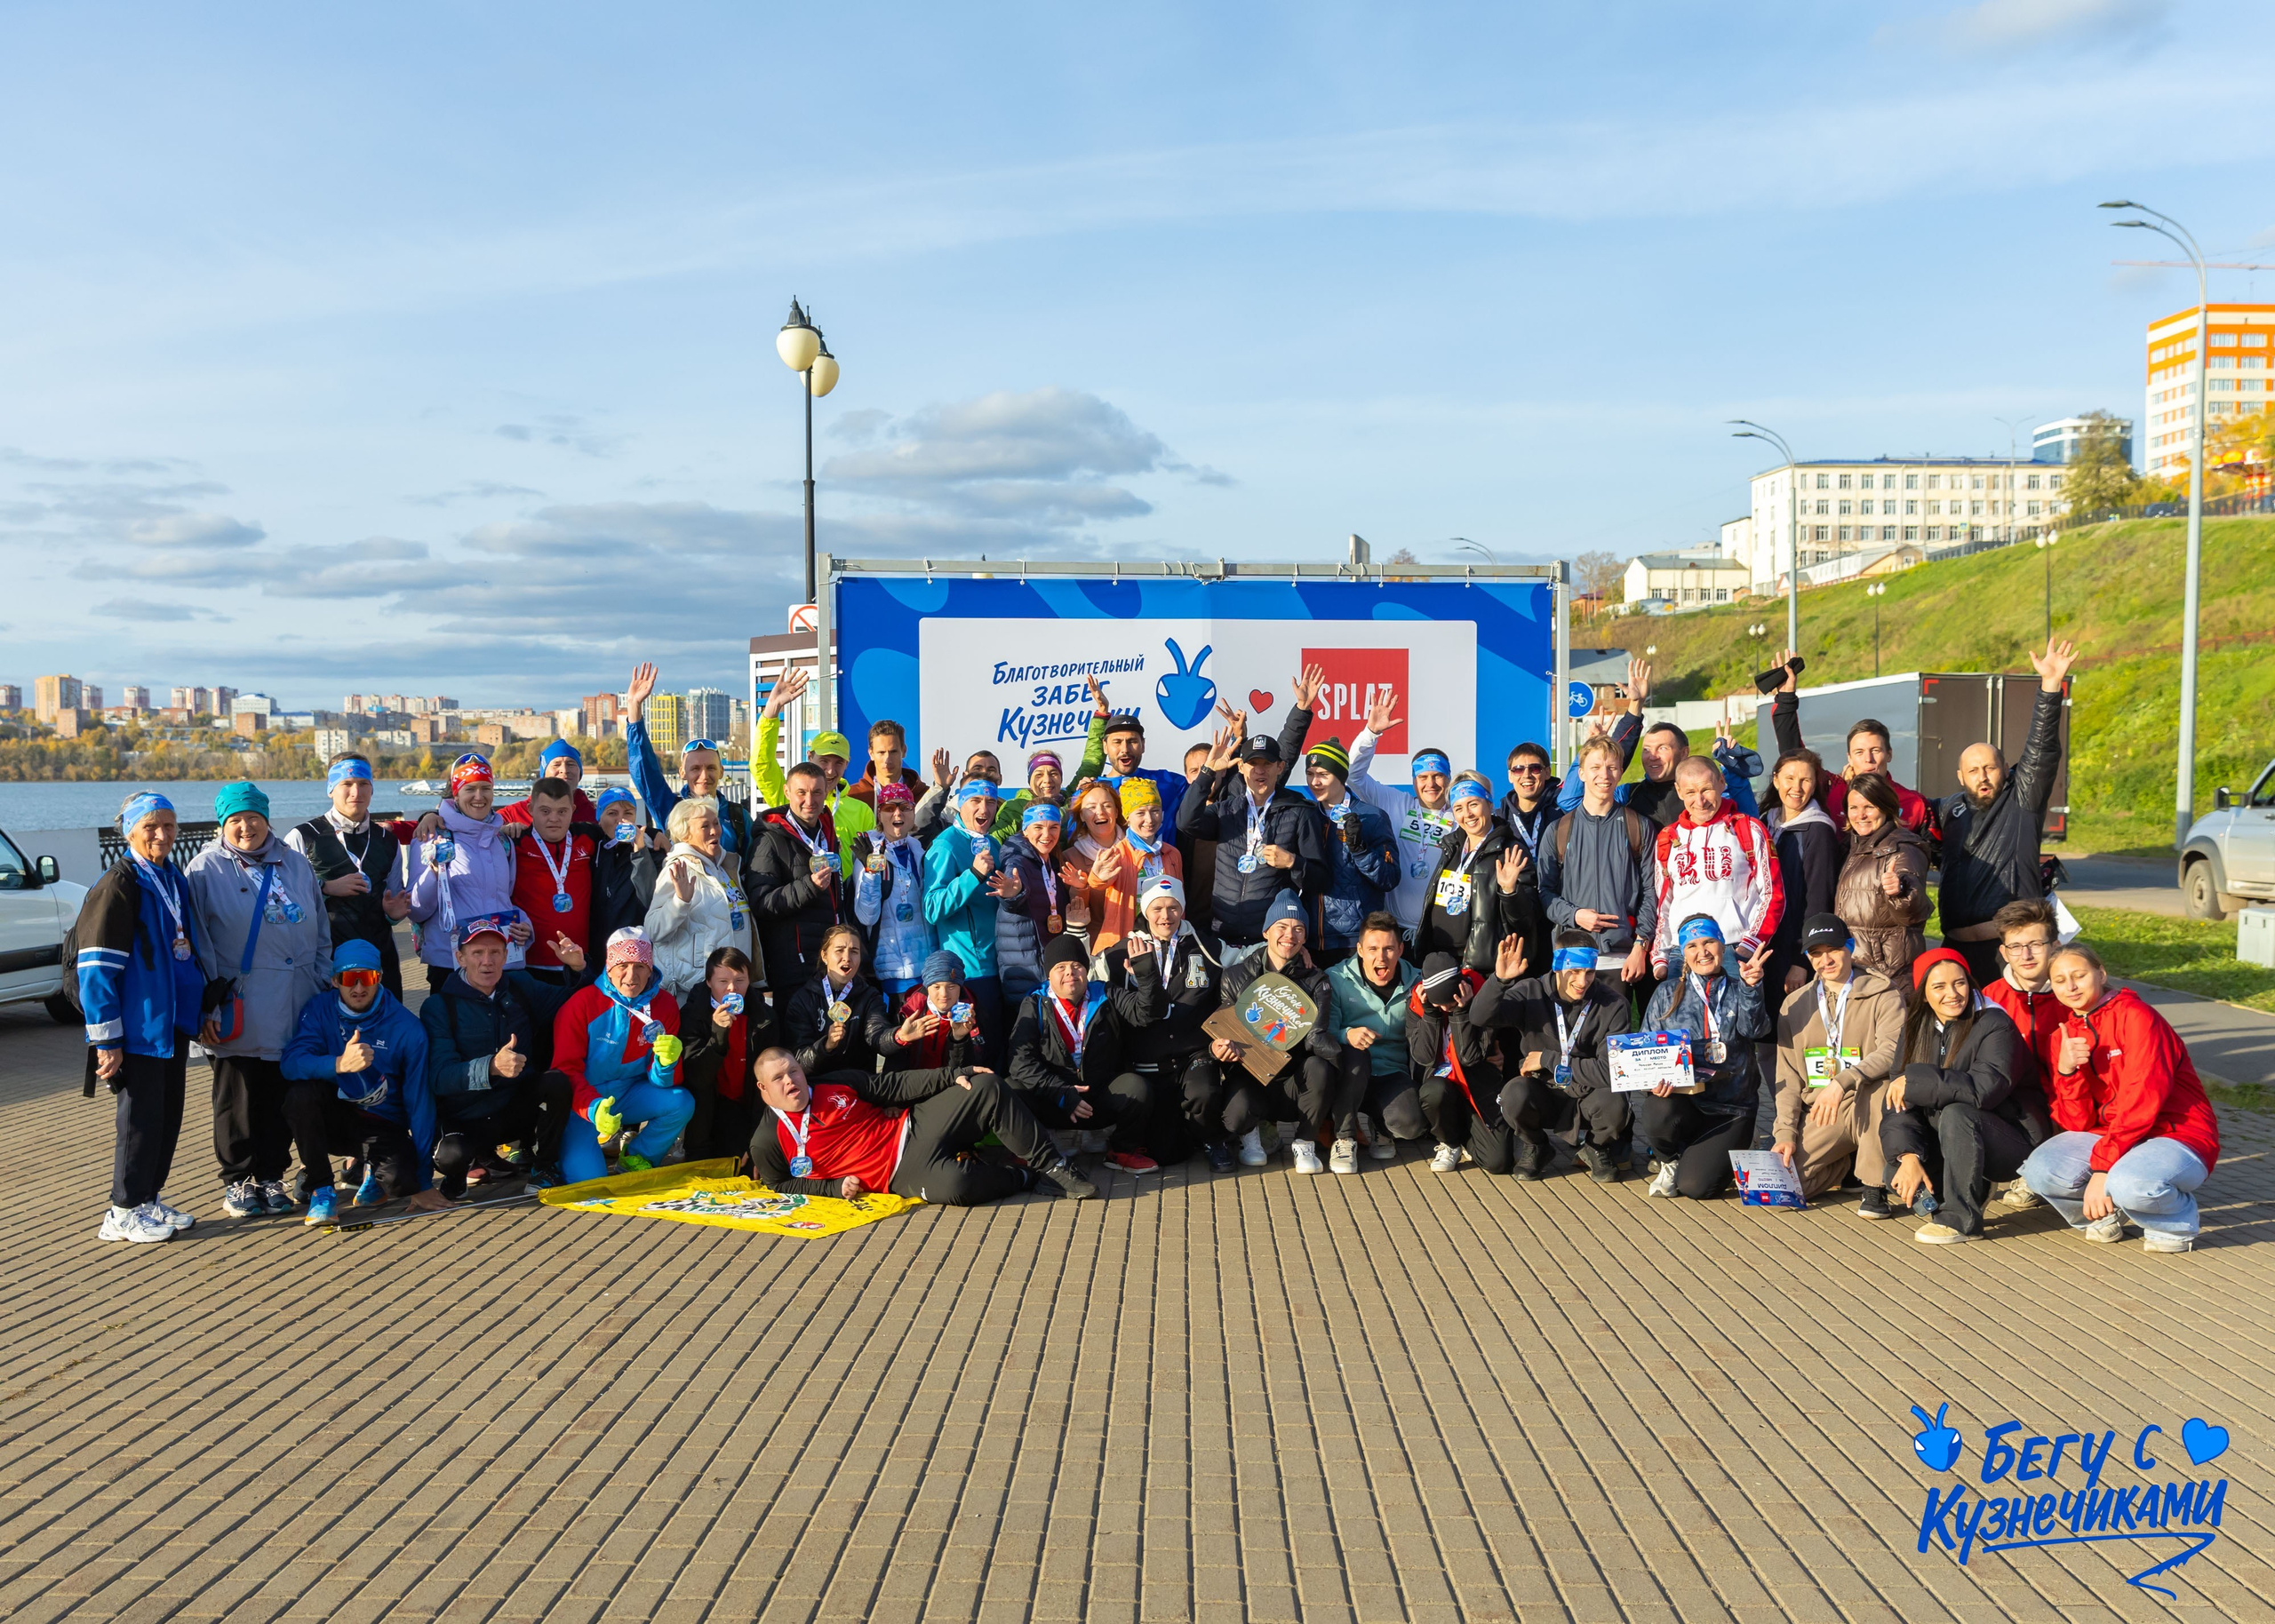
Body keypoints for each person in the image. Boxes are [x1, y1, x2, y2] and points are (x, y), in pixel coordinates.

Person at [185, 781, 332, 1217]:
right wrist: (207, 1003)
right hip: (240, 1006)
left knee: (280, 1095)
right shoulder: (205, 869)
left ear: (267, 819)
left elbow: (321, 928)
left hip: (297, 999)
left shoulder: (295, 863)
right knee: (239, 1097)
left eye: (254, 818)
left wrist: (320, 976)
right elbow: (197, 943)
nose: (246, 827)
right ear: (222, 824)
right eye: (235, 820)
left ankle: (271, 1174)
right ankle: (239, 1180)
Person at [2019, 943, 2219, 1254]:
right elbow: (2077, 1123)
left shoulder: (2138, 1017)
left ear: (2101, 974)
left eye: (2079, 975)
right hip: (2111, 1135)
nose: (2071, 987)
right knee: (2041, 1171)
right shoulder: (2064, 1037)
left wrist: (2103, 1169)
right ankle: (2103, 1215)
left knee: (2131, 1184)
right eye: (2059, 980)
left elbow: (2143, 1099)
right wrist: (2067, 1071)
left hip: (2176, 1133)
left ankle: (2175, 1223)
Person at [80, 793, 209, 1244]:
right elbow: (96, 970)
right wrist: (106, 1040)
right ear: (130, 832)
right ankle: (121, 1211)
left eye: (169, 826)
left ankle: (147, 1199)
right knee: (138, 1122)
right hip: (136, 1029)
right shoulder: (119, 885)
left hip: (170, 1023)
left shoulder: (171, 877)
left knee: (165, 1117)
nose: (162, 834)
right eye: (151, 826)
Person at [747, 1048, 1098, 1205]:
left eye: (794, 1071)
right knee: (959, 1186)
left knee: (986, 1086)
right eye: (778, 1078)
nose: (790, 1081)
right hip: (898, 1175)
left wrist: (953, 1074)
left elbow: (893, 1085)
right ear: (763, 1089)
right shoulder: (766, 1140)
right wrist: (834, 1187)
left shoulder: (832, 1083)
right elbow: (780, 1184)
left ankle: (1054, 1168)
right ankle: (1025, 1177)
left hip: (913, 1127)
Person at [1879, 948, 2046, 1244]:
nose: (1953, 994)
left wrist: (1915, 1080)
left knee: (1958, 1114)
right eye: (1939, 986)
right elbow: (1898, 1103)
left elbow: (1983, 1091)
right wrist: (1909, 1156)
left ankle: (1960, 1221)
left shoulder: (1995, 1024)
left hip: (2011, 1139)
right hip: (1951, 1136)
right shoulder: (1915, 1028)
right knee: (1896, 1171)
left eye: (1959, 983)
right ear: (1924, 994)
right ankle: (1967, 1191)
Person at [1936, 639, 2077, 983]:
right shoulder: (1948, 810)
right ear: (1960, 777)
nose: (1983, 776)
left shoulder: (2022, 800)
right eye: (1973, 770)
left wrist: (2050, 687)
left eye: (1990, 768)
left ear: (2005, 769)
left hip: (2007, 952)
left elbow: (2042, 750)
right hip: (1956, 950)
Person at [279, 938, 443, 1223]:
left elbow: (420, 1104)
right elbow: (291, 1064)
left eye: (366, 978)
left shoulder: (407, 1027)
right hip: (336, 1120)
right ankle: (321, 1187)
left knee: (403, 1182)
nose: (358, 988)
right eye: (348, 978)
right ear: (334, 981)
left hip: (381, 1122)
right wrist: (339, 1064)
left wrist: (425, 1180)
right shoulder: (319, 1009)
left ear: (379, 977)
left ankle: (371, 1170)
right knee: (300, 1095)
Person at [419, 914, 584, 1190]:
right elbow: (439, 1077)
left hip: (514, 1109)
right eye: (477, 953)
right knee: (451, 1158)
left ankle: (544, 1167)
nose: (488, 961)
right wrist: (491, 1067)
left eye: (495, 952)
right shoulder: (438, 1006)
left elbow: (577, 1002)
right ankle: (466, 1166)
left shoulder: (521, 986)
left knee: (556, 1082)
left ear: (506, 956)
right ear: (460, 958)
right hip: (467, 1115)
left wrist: (578, 969)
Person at [1472, 929, 1635, 1182]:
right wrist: (1499, 981)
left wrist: (1548, 1059)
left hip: (1588, 1093)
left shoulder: (1614, 1004)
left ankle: (1595, 1147)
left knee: (1616, 1100)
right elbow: (1479, 1017)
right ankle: (1536, 1145)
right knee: (1514, 1094)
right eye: (1574, 971)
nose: (1583, 981)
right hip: (1544, 1091)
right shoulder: (1531, 991)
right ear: (1558, 967)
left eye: (1589, 972)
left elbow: (1611, 1071)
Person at [1206, 890, 1349, 1172]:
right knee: (1235, 1116)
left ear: (1305, 938)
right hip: (1251, 1075)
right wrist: (1217, 1050)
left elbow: (1315, 1037)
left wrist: (1344, 1068)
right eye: (1281, 926)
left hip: (1294, 1079)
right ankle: (1250, 1134)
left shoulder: (1316, 980)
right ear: (1266, 932)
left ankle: (1305, 1142)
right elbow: (1223, 1029)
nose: (1290, 935)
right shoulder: (1234, 976)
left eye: (1298, 929)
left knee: (1320, 1068)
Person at [1768, 916, 1905, 1204]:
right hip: (1822, 1109)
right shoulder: (1794, 1005)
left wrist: (1842, 1082)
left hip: (1866, 1098)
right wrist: (1784, 1133)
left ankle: (1874, 1186)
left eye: (1833, 949)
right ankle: (1847, 1163)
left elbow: (1892, 1050)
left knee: (1879, 1090)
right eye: (1816, 953)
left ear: (1850, 947)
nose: (1825, 960)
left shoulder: (1884, 992)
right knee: (1783, 1188)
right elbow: (1788, 1078)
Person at [1636, 915, 1771, 1199]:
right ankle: (1671, 1160)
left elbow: (1756, 1030)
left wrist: (1751, 989)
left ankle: (1734, 1145)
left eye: (1709, 942)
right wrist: (1651, 1082)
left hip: (1732, 1109)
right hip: (1687, 1104)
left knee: (1696, 1188)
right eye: (1692, 946)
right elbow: (1645, 1052)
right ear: (1684, 953)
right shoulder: (1666, 993)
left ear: (1722, 945)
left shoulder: (1740, 988)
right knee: (1656, 1109)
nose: (1703, 952)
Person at [1008, 933, 1165, 1174]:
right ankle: (1030, 1152)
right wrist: (1061, 1092)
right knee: (1011, 1089)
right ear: (1048, 974)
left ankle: (1122, 1151)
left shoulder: (1105, 993)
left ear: (1087, 969)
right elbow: (1020, 1061)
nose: (1070, 972)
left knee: (1137, 1088)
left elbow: (1146, 1014)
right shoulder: (1034, 1003)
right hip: (1056, 1100)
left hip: (1097, 1099)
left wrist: (1146, 976)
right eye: (1060, 967)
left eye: (1077, 965)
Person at [553, 927, 695, 1182]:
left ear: (651, 969)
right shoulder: (581, 1004)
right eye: (623, 966)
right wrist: (593, 1108)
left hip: (630, 1094)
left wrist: (666, 1063)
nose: (631, 976)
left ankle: (637, 1157)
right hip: (585, 1102)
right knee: (590, 1182)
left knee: (681, 1102)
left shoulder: (665, 1004)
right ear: (609, 968)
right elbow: (565, 1070)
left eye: (640, 966)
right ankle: (563, 1153)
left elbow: (663, 1083)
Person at [1098, 875, 1220, 1168]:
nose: (1166, 916)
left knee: (1205, 1092)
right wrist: (1077, 931)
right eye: (1157, 908)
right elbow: (1080, 972)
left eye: (1173, 907)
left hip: (1191, 1057)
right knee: (1166, 1154)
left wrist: (1291, 949)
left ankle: (1214, 1140)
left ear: (1182, 909)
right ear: (1145, 911)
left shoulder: (1205, 945)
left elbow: (1250, 956)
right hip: (1147, 1064)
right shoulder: (1120, 951)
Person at [1177, 728, 1330, 957]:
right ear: (1241, 767)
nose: (1260, 770)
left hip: (1270, 942)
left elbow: (1320, 879)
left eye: (1267, 764)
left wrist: (1293, 862)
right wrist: (1207, 773)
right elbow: (1186, 822)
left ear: (1280, 767)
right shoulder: (1225, 811)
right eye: (1252, 763)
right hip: (1223, 938)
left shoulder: (1299, 812)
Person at [1539, 733, 1659, 999]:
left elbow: (1651, 891)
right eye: (1595, 767)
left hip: (1621, 959)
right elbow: (1545, 893)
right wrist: (1575, 915)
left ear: (1620, 772)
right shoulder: (1558, 830)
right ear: (1581, 773)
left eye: (1612, 767)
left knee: (1616, 1026)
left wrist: (1641, 945)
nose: (1604, 775)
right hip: (1572, 956)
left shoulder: (1638, 826)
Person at [1764, 651, 1935, 837]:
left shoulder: (1914, 803)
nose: (1868, 759)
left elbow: (1935, 851)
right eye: (1859, 752)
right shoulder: (1832, 790)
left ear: (1889, 754)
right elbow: (1795, 757)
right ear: (1849, 758)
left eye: (1875, 750)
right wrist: (1786, 699)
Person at [285, 752, 411, 998]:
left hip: (379, 957)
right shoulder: (303, 836)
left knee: (386, 1019)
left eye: (364, 784)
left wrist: (394, 915)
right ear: (331, 789)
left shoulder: (388, 840)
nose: (356, 792)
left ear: (372, 789)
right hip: (325, 959)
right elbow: (284, 897)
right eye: (347, 784)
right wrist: (324, 887)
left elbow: (395, 898)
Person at [1646, 758, 1783, 977]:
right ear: (1679, 791)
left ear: (1721, 782)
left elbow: (1773, 893)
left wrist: (1750, 944)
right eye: (1690, 792)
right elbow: (1663, 902)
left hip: (1734, 950)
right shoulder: (1668, 837)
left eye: (1706, 789)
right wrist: (1660, 956)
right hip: (1682, 953)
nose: (1700, 801)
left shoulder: (1749, 829)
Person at [404, 752, 531, 989]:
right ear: (456, 793)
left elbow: (506, 899)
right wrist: (434, 873)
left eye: (486, 788)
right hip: (450, 964)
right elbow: (416, 910)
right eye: (470, 789)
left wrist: (524, 925)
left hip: (497, 964)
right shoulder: (431, 837)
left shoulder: (502, 842)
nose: (479, 797)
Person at [924, 777, 1025, 1064]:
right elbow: (932, 908)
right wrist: (973, 876)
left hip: (1000, 965)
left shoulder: (992, 842)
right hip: (969, 972)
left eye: (991, 802)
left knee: (1004, 1052)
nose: (984, 809)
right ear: (960, 805)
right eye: (976, 801)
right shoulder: (945, 845)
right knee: (981, 1057)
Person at [1344, 689, 1457, 933]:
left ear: (1449, 778)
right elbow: (1352, 776)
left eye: (1438, 776)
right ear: (1414, 780)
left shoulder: (1463, 816)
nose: (1431, 784)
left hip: (1441, 931)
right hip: (1396, 929)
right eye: (1423, 777)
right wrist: (1371, 733)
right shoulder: (1395, 803)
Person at [624, 660, 759, 865]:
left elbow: (754, 868)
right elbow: (644, 770)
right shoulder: (670, 808)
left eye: (711, 768)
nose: (704, 776)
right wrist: (634, 709)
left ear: (721, 771)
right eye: (695, 768)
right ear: (682, 772)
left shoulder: (738, 817)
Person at [752, 666, 876, 867]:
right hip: (802, 885)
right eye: (824, 761)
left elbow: (870, 864)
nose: (830, 771)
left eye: (838, 763)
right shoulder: (792, 798)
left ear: (847, 764)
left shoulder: (861, 811)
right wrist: (772, 711)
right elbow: (761, 765)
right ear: (810, 757)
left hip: (845, 888)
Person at [1324, 912, 1424, 1162]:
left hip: (1392, 1072)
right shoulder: (1335, 978)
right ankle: (1344, 1137)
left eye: (1389, 949)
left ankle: (1382, 1128)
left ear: (1401, 949)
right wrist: (1347, 1034)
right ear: (1359, 950)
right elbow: (1323, 1032)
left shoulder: (1418, 982)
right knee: (1353, 1060)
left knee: (1410, 1124)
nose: (1381, 957)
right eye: (1373, 949)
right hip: (1350, 1072)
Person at [746, 761, 845, 999]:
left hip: (830, 961)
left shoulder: (826, 832)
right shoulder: (769, 840)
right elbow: (762, 903)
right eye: (801, 792)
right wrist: (809, 886)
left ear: (826, 792)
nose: (809, 800)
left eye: (817, 792)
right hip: (793, 967)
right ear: (787, 792)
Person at [1408, 952, 1513, 1175]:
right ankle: (1450, 1142)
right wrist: (1430, 1014)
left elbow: (1470, 1058)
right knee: (1434, 1091)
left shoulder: (1481, 996)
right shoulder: (1418, 1003)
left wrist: (1461, 1012)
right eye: (1440, 1003)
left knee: (1498, 1162)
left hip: (1476, 1085)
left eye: (1451, 1001)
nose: (1446, 1007)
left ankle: (1466, 1135)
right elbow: (1424, 1057)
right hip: (1441, 1088)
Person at [1301, 738, 1399, 967]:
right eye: (1310, 774)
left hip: (1354, 942)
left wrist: (1361, 850)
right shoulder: (1305, 815)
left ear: (1341, 775)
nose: (1315, 782)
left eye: (1323, 774)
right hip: (1309, 941)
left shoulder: (1372, 817)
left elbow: (1390, 878)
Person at [1832, 771, 1932, 991]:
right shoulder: (1851, 847)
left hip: (1888, 976)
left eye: (1869, 807)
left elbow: (1914, 912)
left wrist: (1901, 890)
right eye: (1853, 808)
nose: (1861, 815)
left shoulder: (1902, 848)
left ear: (1886, 807)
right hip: (1855, 970)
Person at [1757, 748, 1842, 1002]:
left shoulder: (1819, 831)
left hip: (1790, 951)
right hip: (1761, 947)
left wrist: (1801, 961)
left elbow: (1818, 901)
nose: (1797, 787)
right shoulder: (1764, 822)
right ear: (1776, 780)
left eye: (1806, 780)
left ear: (1815, 785)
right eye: (1789, 778)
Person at [646, 799, 754, 1000]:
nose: (714, 831)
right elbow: (654, 930)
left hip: (732, 986)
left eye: (716, 823)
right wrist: (680, 902)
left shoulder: (727, 867)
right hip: (695, 991)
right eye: (705, 826)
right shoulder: (677, 869)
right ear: (685, 834)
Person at [507, 776, 599, 985]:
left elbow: (619, 828)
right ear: (530, 809)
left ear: (573, 810)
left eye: (562, 811)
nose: (554, 819)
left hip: (579, 962)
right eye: (545, 811)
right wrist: (433, 817)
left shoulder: (588, 836)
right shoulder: (515, 842)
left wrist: (652, 833)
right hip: (529, 964)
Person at [994, 675, 1112, 835]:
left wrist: (1102, 712)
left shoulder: (1071, 797)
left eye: (1053, 773)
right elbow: (997, 837)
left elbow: (1092, 762)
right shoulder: (1016, 807)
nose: (1047, 780)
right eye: (1039, 774)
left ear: (1061, 778)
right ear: (1029, 780)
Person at [850, 781, 936, 999]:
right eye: (889, 807)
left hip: (929, 970)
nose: (898, 813)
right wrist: (870, 871)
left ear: (913, 813)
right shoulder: (870, 854)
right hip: (896, 972)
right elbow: (867, 916)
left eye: (905, 807)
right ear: (880, 815)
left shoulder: (920, 850)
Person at [1085, 777, 1184, 956]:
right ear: (1127, 816)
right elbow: (1097, 884)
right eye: (1140, 813)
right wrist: (1097, 877)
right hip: (1125, 943)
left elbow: (1179, 902)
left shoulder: (1172, 854)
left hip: (1164, 943)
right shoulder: (1117, 853)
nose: (1149, 819)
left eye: (1155, 811)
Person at [784, 924, 899, 1076]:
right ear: (824, 956)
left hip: (858, 1082)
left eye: (854, 951)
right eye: (839, 950)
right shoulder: (803, 1000)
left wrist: (899, 1036)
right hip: (818, 1083)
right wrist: (826, 1045)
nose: (847, 958)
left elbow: (877, 1037)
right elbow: (799, 1061)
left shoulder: (869, 996)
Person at [681, 946, 762, 1161]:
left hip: (746, 1104)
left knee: (746, 1161)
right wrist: (718, 1034)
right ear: (709, 982)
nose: (732, 989)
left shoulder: (764, 1016)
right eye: (723, 981)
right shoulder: (693, 1014)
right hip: (708, 1106)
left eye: (740, 980)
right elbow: (697, 1077)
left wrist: (758, 1138)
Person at [1980, 898, 2068, 1094]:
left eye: (2035, 944)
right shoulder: (1989, 999)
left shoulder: (2075, 996)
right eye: (2015, 947)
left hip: (2068, 1099)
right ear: (2004, 953)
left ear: (2055, 946)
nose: (2026, 955)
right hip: (2012, 1100)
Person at [994, 802, 1068, 1005]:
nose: (1047, 834)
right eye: (1038, 827)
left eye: (1053, 827)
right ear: (1025, 830)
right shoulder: (1017, 859)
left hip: (1048, 962)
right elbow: (1014, 892)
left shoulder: (1051, 861)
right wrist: (1013, 894)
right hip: (1026, 967)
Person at [588, 786, 666, 946]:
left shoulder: (652, 851)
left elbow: (649, 897)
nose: (621, 820)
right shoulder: (590, 848)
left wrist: (640, 851)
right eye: (612, 813)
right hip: (597, 946)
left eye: (628, 813)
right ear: (599, 818)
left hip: (634, 947)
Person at [884, 951, 984, 1073]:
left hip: (952, 1081)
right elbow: (891, 1064)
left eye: (951, 986)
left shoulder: (972, 1013)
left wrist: (959, 1039)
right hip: (912, 1081)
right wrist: (901, 1038)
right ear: (927, 986)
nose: (944, 994)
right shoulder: (908, 1011)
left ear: (960, 986)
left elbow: (974, 1066)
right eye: (936, 987)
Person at [1097, 708, 1189, 833]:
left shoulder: (1169, 781)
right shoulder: (1090, 792)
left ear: (1143, 745)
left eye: (1132, 741)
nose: (1125, 749)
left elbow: (1205, 795)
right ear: (1105, 746)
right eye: (1117, 742)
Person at [500, 738, 598, 824]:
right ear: (544, 774)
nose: (564, 770)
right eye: (556, 765)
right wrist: (503, 831)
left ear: (579, 773)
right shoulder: (514, 814)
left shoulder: (596, 815)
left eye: (571, 764)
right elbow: (490, 828)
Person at [842, 718, 928, 815]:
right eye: (881, 752)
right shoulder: (853, 796)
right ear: (871, 754)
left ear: (904, 751)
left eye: (893, 752)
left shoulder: (925, 796)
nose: (887, 760)